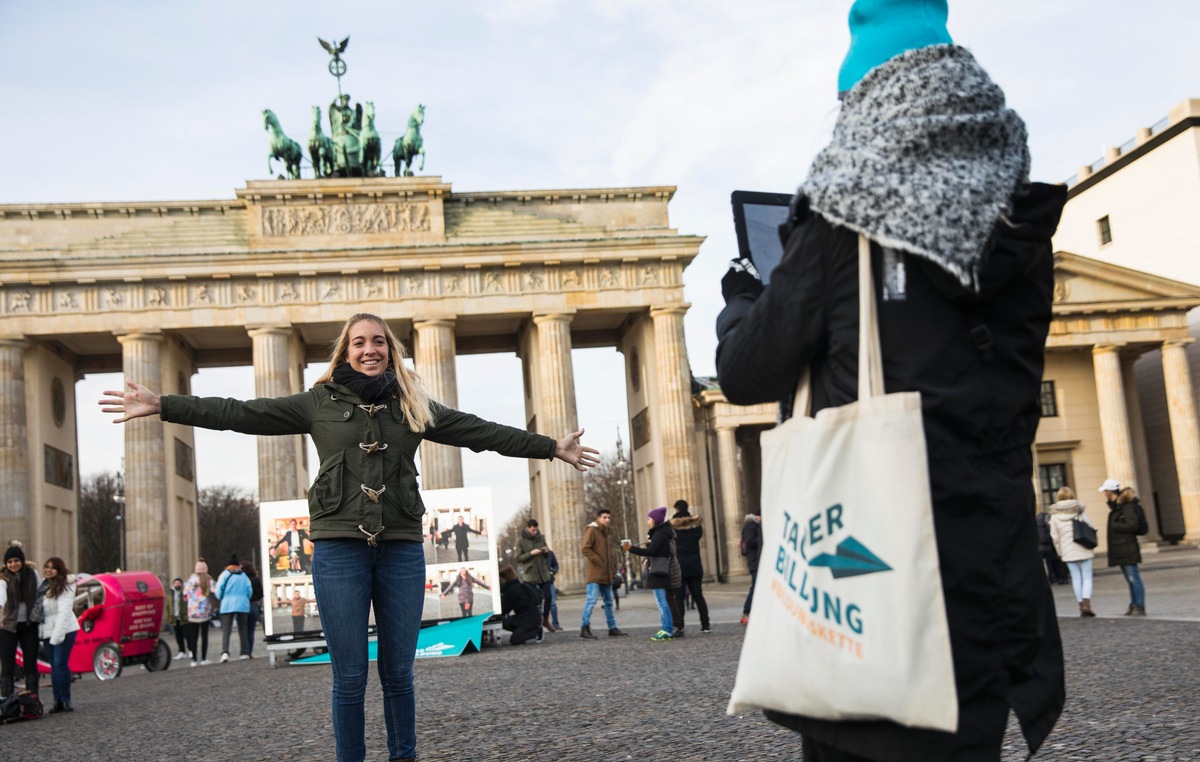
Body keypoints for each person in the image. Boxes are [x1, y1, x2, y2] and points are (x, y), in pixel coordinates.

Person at [714, 3, 1066, 757]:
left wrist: (741, 298)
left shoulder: (846, 220)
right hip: (989, 576)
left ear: (866, 101)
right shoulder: (1021, 222)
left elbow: (747, 370)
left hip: (869, 579)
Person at [101, 311, 598, 762]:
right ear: (345, 351)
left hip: (401, 548)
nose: (369, 349)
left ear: (390, 350)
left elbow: (481, 432)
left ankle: (404, 756)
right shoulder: (316, 402)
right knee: (350, 677)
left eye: (378, 341)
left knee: (398, 675)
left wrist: (550, 446)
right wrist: (164, 404)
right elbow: (241, 413)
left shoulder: (414, 405)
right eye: (359, 342)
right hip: (339, 550)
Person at [624, 506, 681, 641]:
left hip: (659, 571)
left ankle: (667, 629)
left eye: (650, 519)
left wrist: (631, 549)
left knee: (662, 602)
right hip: (662, 570)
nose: (648, 521)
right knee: (664, 602)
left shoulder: (660, 534)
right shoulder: (663, 533)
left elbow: (651, 552)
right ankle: (667, 628)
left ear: (656, 520)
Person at [0, 544, 41, 699]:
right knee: (8, 664)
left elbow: (39, 595)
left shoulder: (32, 574)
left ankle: (32, 696)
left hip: (29, 624)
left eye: (16, 560)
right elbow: (1, 596)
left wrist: (37, 618)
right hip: (8, 626)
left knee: (31, 662)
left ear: (22, 561)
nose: (13, 564)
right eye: (9, 562)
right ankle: (7, 699)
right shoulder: (2, 578)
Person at [38, 556, 78, 714]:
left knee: (59, 664)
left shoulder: (66, 585)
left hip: (65, 629)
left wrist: (57, 636)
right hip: (48, 631)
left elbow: (64, 612)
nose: (48, 570)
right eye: (46, 566)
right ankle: (58, 701)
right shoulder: (43, 585)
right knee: (55, 667)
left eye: (52, 567)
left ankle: (65, 700)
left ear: (59, 570)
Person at [579, 508, 626, 639]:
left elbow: (609, 554)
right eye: (604, 517)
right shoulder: (592, 530)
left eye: (609, 517)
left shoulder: (607, 533)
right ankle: (584, 627)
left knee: (609, 601)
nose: (607, 520)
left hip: (606, 573)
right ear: (599, 518)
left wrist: (612, 567)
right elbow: (585, 548)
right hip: (595, 572)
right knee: (591, 600)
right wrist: (599, 561)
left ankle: (612, 627)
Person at [1048, 487, 1096, 617]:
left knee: (1075, 577)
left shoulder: (1054, 515)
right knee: (1086, 576)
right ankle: (1087, 604)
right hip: (1083, 545)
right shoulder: (1080, 510)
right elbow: (1090, 527)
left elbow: (1055, 537)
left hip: (1067, 549)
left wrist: (1060, 551)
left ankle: (1081, 605)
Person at [1103, 481, 1147, 616]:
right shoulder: (1118, 507)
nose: (1104, 494)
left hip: (1127, 547)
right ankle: (1134, 604)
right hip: (1122, 547)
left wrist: (1115, 525)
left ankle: (1139, 605)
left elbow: (1131, 525)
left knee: (1133, 578)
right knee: (1130, 578)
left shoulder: (1126, 506)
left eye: (1105, 491)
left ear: (1110, 491)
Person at [669, 499, 710, 635]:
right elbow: (698, 536)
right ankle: (705, 624)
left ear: (676, 509)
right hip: (695, 565)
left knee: (679, 598)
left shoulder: (672, 526)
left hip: (680, 566)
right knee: (698, 596)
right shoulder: (695, 525)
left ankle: (680, 626)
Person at [514, 518, 556, 632]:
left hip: (543, 573)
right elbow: (517, 558)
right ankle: (536, 626)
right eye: (533, 530)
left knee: (548, 596)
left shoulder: (541, 538)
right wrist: (531, 553)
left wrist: (546, 552)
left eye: (536, 530)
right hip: (530, 575)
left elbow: (548, 555)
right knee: (535, 601)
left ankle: (545, 620)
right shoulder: (521, 541)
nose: (535, 532)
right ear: (528, 528)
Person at [214, 555, 253, 662]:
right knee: (243, 629)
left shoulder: (224, 575)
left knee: (226, 629)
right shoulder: (244, 576)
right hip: (242, 604)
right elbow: (249, 591)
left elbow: (218, 591)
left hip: (227, 604)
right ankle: (244, 652)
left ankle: (225, 652)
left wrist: (222, 598)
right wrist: (245, 599)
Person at [497, 564, 542, 645]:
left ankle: (536, 632)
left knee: (515, 640)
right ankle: (524, 631)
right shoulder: (518, 585)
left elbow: (504, 609)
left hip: (527, 619)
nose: (500, 583)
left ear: (505, 579)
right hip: (530, 617)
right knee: (505, 623)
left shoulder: (512, 590)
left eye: (501, 580)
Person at [183, 558, 216, 666]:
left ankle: (193, 659)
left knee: (193, 636)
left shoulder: (190, 580)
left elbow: (184, 594)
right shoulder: (208, 580)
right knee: (204, 636)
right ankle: (203, 658)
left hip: (192, 612)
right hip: (204, 612)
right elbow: (216, 591)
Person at [1036, 508, 1070, 585]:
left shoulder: (1039, 525)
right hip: (1050, 547)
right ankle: (1059, 577)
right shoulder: (1045, 525)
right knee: (1054, 563)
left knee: (1050, 564)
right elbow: (1045, 538)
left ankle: (1053, 577)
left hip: (1044, 548)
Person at [740, 513, 762, 624]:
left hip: (760, 561)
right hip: (755, 562)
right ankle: (746, 613)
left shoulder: (758, 525)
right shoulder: (751, 525)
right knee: (755, 588)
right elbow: (750, 541)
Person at [242, 560, 264, 656]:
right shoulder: (256, 579)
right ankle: (249, 651)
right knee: (251, 630)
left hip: (243, 605)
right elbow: (260, 594)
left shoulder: (241, 579)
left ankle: (244, 651)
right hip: (254, 605)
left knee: (243, 629)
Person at [164, 577, 190, 660]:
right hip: (175, 618)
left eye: (179, 583)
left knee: (187, 635)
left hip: (184, 618)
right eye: (176, 583)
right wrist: (168, 617)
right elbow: (168, 607)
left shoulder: (184, 593)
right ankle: (181, 651)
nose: (177, 584)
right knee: (178, 636)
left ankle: (191, 650)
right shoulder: (170, 594)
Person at [545, 549, 562, 630]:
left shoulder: (550, 553)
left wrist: (553, 571)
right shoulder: (535, 553)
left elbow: (556, 565)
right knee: (538, 605)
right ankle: (538, 626)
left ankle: (555, 623)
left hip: (549, 581)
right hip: (537, 580)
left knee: (552, 603)